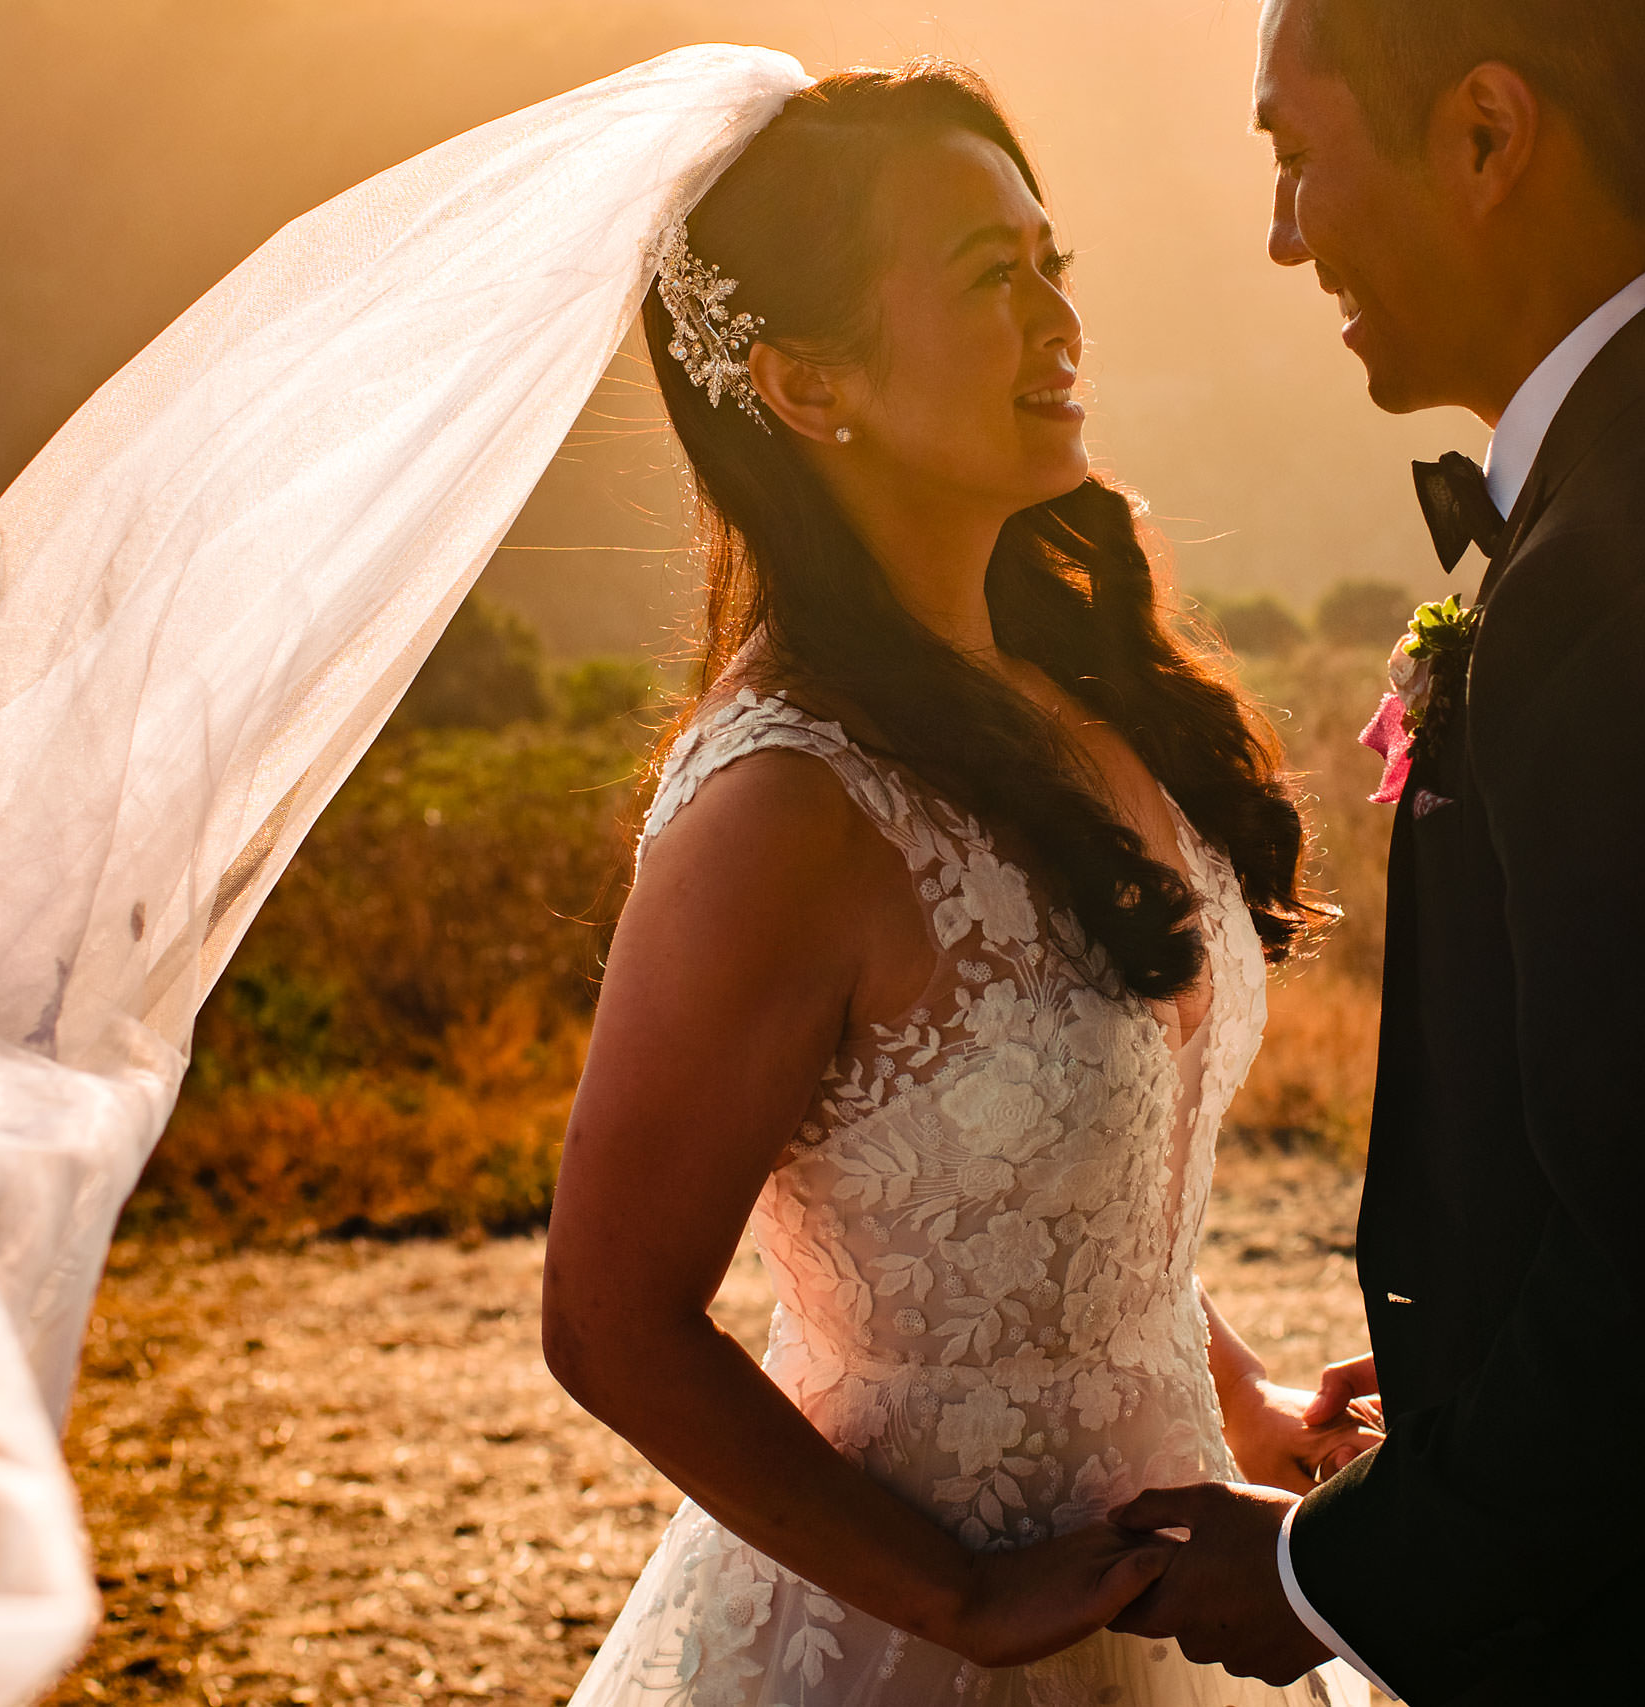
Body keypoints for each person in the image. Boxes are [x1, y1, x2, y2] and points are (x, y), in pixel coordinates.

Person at [1110, 2, 1645, 1701]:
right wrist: (1475, 1384)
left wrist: (1324, 1572)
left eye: (1296, 154)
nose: (1283, 236)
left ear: (1487, 135)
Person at [540, 66, 1377, 1706]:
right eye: (993, 279)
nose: (1058, 320)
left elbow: (1056, 1217)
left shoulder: (1075, 702)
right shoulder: (783, 804)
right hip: (906, 1640)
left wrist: (1248, 1405)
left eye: (1052, 262)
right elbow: (608, 1317)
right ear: (801, 382)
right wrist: (956, 1593)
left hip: (1161, 1582)